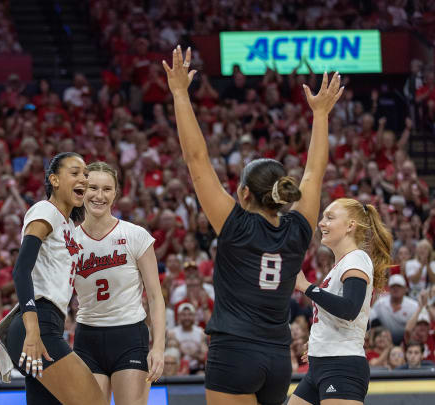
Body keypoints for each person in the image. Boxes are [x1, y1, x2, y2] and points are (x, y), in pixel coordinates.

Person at [163, 45, 343, 405]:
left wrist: (180, 92)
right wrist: (320, 115)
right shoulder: (299, 228)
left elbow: (196, 159)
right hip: (278, 357)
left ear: (244, 194)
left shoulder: (235, 225)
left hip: (234, 351)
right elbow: (314, 171)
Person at [0, 152, 108, 405]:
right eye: (75, 173)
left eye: (86, 175)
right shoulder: (45, 210)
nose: (84, 179)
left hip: (51, 324)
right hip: (37, 325)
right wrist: (33, 331)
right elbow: (21, 270)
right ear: (54, 180)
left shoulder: (69, 227)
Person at [72, 161, 166, 404]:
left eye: (107, 189)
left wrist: (158, 348)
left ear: (115, 194)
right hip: (87, 337)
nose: (99, 196)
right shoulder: (68, 241)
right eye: (93, 188)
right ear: (82, 190)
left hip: (129, 336)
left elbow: (155, 296)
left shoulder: (135, 235)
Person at [289, 198, 393, 405]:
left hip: (341, 366)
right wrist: (321, 341)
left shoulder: (357, 259)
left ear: (350, 226)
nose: (321, 223)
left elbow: (349, 308)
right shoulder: (342, 264)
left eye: (330, 217)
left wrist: (306, 287)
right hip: (322, 364)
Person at [371, 274, 419, 345]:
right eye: (393, 286)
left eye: (399, 286)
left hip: (408, 341)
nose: (396, 289)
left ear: (405, 289)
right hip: (385, 341)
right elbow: (371, 321)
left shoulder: (414, 305)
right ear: (389, 288)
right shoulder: (380, 304)